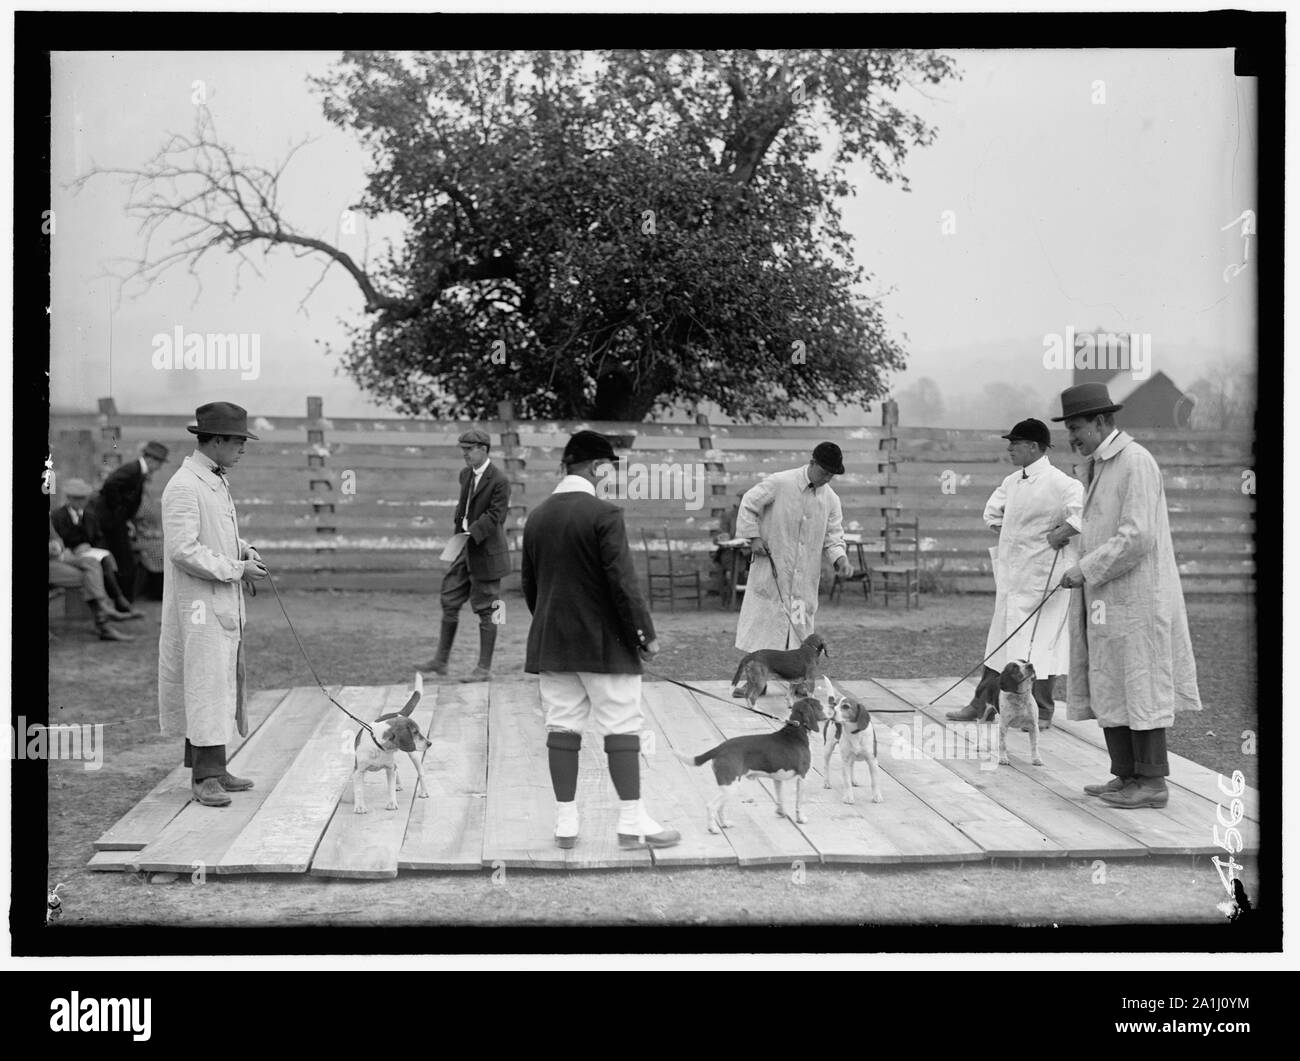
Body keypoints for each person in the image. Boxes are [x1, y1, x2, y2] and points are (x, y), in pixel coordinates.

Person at [521, 429, 679, 850]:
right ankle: (632, 823)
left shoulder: (536, 516)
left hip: (553, 643)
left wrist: (555, 629)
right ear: (595, 467)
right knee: (622, 728)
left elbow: (531, 589)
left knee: (563, 729)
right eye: (607, 468)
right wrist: (645, 636)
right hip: (606, 646)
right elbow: (623, 585)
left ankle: (566, 825)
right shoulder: (605, 514)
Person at [1053, 383, 1202, 809]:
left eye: (1077, 427)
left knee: (1140, 682)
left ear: (1101, 422)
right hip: (1106, 596)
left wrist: (1086, 568)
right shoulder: (1100, 465)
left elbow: (1137, 536)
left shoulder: (1136, 463)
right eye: (1068, 429)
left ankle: (1152, 783)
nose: (1072, 437)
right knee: (1110, 679)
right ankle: (1125, 774)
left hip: (1137, 597)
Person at [158, 403, 268, 808]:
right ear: (217, 440)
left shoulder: (214, 481)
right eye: (238, 442)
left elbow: (218, 534)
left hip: (218, 600)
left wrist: (244, 549)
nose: (242, 449)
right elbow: (183, 550)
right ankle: (203, 778)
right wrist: (237, 570)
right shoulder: (185, 485)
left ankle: (216, 767)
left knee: (220, 683)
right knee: (205, 683)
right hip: (199, 606)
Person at [946, 419, 1082, 728]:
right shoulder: (1012, 482)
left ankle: (1042, 712)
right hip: (1013, 577)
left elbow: (1084, 512)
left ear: (1034, 447)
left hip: (1044, 578)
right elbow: (991, 514)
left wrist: (1060, 532)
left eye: (1015, 443)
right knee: (1001, 642)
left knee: (1041, 647)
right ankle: (981, 706)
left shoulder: (1060, 483)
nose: (1009, 448)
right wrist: (1012, 533)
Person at [734, 442, 852, 653]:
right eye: (824, 472)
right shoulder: (780, 483)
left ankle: (797, 683)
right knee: (763, 632)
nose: (826, 479)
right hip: (773, 572)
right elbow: (748, 504)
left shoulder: (831, 500)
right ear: (812, 463)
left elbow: (833, 536)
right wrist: (753, 537)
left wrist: (840, 559)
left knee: (798, 633)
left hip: (803, 581)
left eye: (831, 476)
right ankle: (756, 681)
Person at [419, 427, 511, 681]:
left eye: (469, 450)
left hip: (486, 552)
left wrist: (471, 533)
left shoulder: (500, 480)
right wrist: (458, 536)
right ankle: (441, 661)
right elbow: (463, 508)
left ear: (484, 450)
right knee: (449, 599)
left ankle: (483, 669)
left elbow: (496, 516)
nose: (465, 455)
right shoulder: (465, 475)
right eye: (463, 450)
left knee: (487, 609)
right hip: (464, 550)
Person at [50, 476, 144, 620]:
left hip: (88, 553)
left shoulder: (90, 515)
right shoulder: (57, 516)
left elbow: (99, 538)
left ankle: (109, 607)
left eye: (83, 498)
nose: (80, 502)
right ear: (69, 498)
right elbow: (57, 540)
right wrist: (71, 548)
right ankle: (113, 603)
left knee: (103, 561)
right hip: (68, 554)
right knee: (99, 566)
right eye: (76, 498)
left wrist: (89, 546)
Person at [90, 440, 169, 603]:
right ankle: (124, 600)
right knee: (124, 561)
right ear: (151, 460)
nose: (159, 468)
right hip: (113, 523)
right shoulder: (134, 469)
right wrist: (119, 510)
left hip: (118, 523)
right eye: (159, 463)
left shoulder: (138, 471)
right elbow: (110, 484)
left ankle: (126, 599)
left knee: (124, 561)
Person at [48, 515, 135, 642]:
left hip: (59, 557)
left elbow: (55, 536)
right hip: (52, 562)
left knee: (93, 563)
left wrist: (57, 545)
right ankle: (104, 620)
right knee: (88, 577)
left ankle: (103, 611)